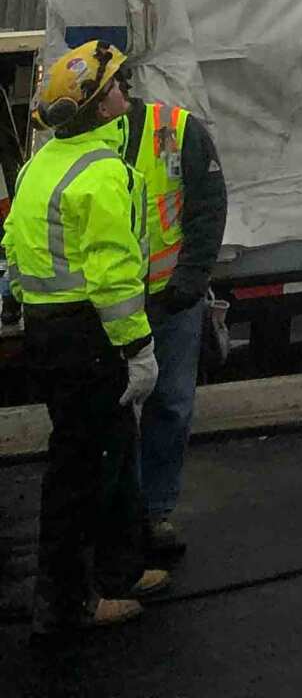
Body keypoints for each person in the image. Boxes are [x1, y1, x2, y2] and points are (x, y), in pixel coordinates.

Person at [1, 39, 170, 636]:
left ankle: (118, 571)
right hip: (89, 337)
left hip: (51, 333)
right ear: (101, 108)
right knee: (81, 470)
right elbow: (114, 277)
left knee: (107, 450)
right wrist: (139, 350)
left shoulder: (38, 166)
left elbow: (14, 254)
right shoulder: (102, 174)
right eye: (117, 87)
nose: (126, 93)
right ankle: (68, 603)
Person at [116, 56, 227, 563]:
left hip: (168, 302)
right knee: (109, 414)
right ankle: (115, 517)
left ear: (124, 87)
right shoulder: (76, 143)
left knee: (170, 405)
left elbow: (207, 208)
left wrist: (187, 284)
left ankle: (155, 511)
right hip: (108, 307)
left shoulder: (176, 130)